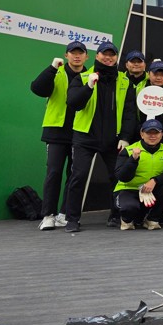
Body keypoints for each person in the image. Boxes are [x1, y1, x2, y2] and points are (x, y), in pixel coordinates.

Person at [63, 41, 138, 232]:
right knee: (78, 176)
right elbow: (73, 103)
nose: (108, 57)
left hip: (113, 140)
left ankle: (115, 215)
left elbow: (130, 112)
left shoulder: (124, 80)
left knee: (117, 178)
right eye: (105, 54)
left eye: (112, 54)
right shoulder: (83, 77)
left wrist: (125, 137)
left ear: (116, 57)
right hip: (85, 138)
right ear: (97, 56)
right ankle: (72, 219)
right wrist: (88, 87)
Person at [31, 40, 89, 230]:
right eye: (73, 52)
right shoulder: (56, 72)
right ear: (66, 55)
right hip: (56, 131)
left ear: (86, 57)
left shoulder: (90, 76)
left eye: (80, 53)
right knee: (54, 172)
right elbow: (37, 89)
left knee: (74, 175)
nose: (77, 56)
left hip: (80, 131)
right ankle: (48, 215)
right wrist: (51, 68)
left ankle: (65, 213)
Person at [114, 119, 163, 230]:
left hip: (151, 190)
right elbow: (122, 177)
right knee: (129, 208)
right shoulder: (129, 150)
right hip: (129, 189)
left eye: (156, 133)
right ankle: (127, 220)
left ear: (161, 134)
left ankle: (152, 219)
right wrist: (133, 159)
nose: (152, 136)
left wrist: (155, 180)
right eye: (149, 133)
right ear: (142, 134)